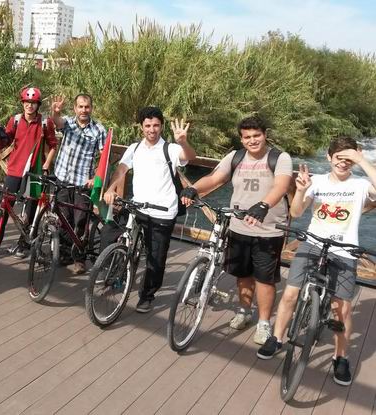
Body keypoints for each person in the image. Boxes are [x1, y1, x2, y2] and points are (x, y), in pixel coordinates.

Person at [256, 137, 376, 386]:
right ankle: (276, 338)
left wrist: (361, 159)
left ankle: (340, 357)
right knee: (290, 294)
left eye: (348, 159)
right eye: (338, 158)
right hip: (312, 243)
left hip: (345, 250)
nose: (343, 163)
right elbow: (296, 212)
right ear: (329, 157)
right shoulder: (317, 181)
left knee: (341, 308)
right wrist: (301, 190)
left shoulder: (361, 185)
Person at [180, 116, 293, 344]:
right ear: (241, 139)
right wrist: (193, 188)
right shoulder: (236, 157)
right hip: (239, 226)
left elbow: (281, 185)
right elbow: (215, 178)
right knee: (243, 275)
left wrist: (264, 205)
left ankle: (263, 323)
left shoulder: (280, 158)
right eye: (247, 137)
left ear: (265, 135)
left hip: (268, 230)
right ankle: (244, 311)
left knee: (264, 280)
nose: (252, 140)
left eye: (256, 135)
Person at [103, 106, 195, 313]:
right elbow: (121, 170)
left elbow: (190, 156)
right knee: (111, 230)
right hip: (138, 206)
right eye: (147, 125)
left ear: (161, 126)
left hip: (162, 211)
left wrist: (183, 142)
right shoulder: (135, 148)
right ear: (141, 127)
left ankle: (147, 295)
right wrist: (110, 189)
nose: (152, 129)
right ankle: (112, 269)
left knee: (156, 257)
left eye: (156, 125)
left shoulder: (170, 149)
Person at [0, 87, 58, 258]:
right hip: (15, 169)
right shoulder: (15, 120)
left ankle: (24, 244)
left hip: (35, 171)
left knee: (31, 208)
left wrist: (46, 165)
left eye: (33, 103)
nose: (30, 105)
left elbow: (53, 145)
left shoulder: (45, 122)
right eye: (27, 102)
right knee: (5, 206)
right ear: (23, 103)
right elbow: (3, 142)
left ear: (38, 105)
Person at [50, 94, 107, 274]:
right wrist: (55, 112)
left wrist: (96, 178)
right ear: (75, 108)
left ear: (91, 108)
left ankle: (79, 259)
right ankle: (65, 254)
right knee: (63, 219)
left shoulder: (99, 129)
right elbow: (57, 121)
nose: (84, 110)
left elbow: (104, 157)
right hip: (63, 179)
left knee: (80, 221)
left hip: (83, 183)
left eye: (87, 107)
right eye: (80, 106)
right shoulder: (68, 123)